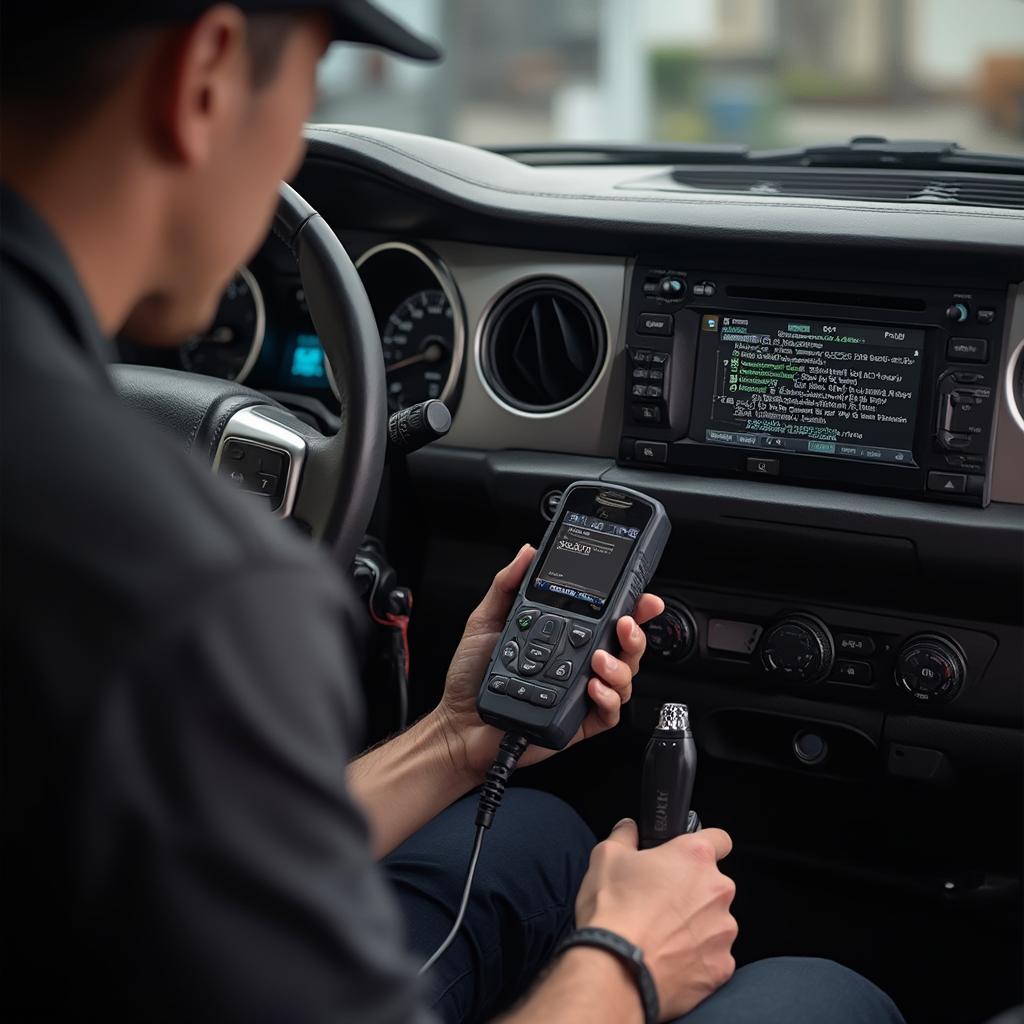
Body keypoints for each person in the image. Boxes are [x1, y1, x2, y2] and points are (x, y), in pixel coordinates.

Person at [0, 3, 904, 1022]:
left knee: (537, 831)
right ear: (204, 74)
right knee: (820, 992)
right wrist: (625, 960)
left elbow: (155, 848)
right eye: (307, 89)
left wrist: (457, 735)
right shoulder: (189, 586)